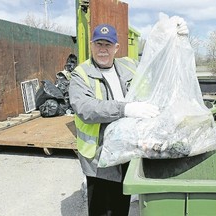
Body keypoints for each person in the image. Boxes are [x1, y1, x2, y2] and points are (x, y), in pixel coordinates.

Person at [68, 24, 161, 216]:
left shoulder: (129, 65)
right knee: (101, 209)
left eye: (108, 45)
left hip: (126, 151)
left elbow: (156, 65)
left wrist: (173, 37)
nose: (103, 49)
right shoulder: (81, 74)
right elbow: (85, 108)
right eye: (98, 44)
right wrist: (125, 109)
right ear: (91, 46)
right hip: (99, 158)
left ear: (116, 48)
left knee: (121, 206)